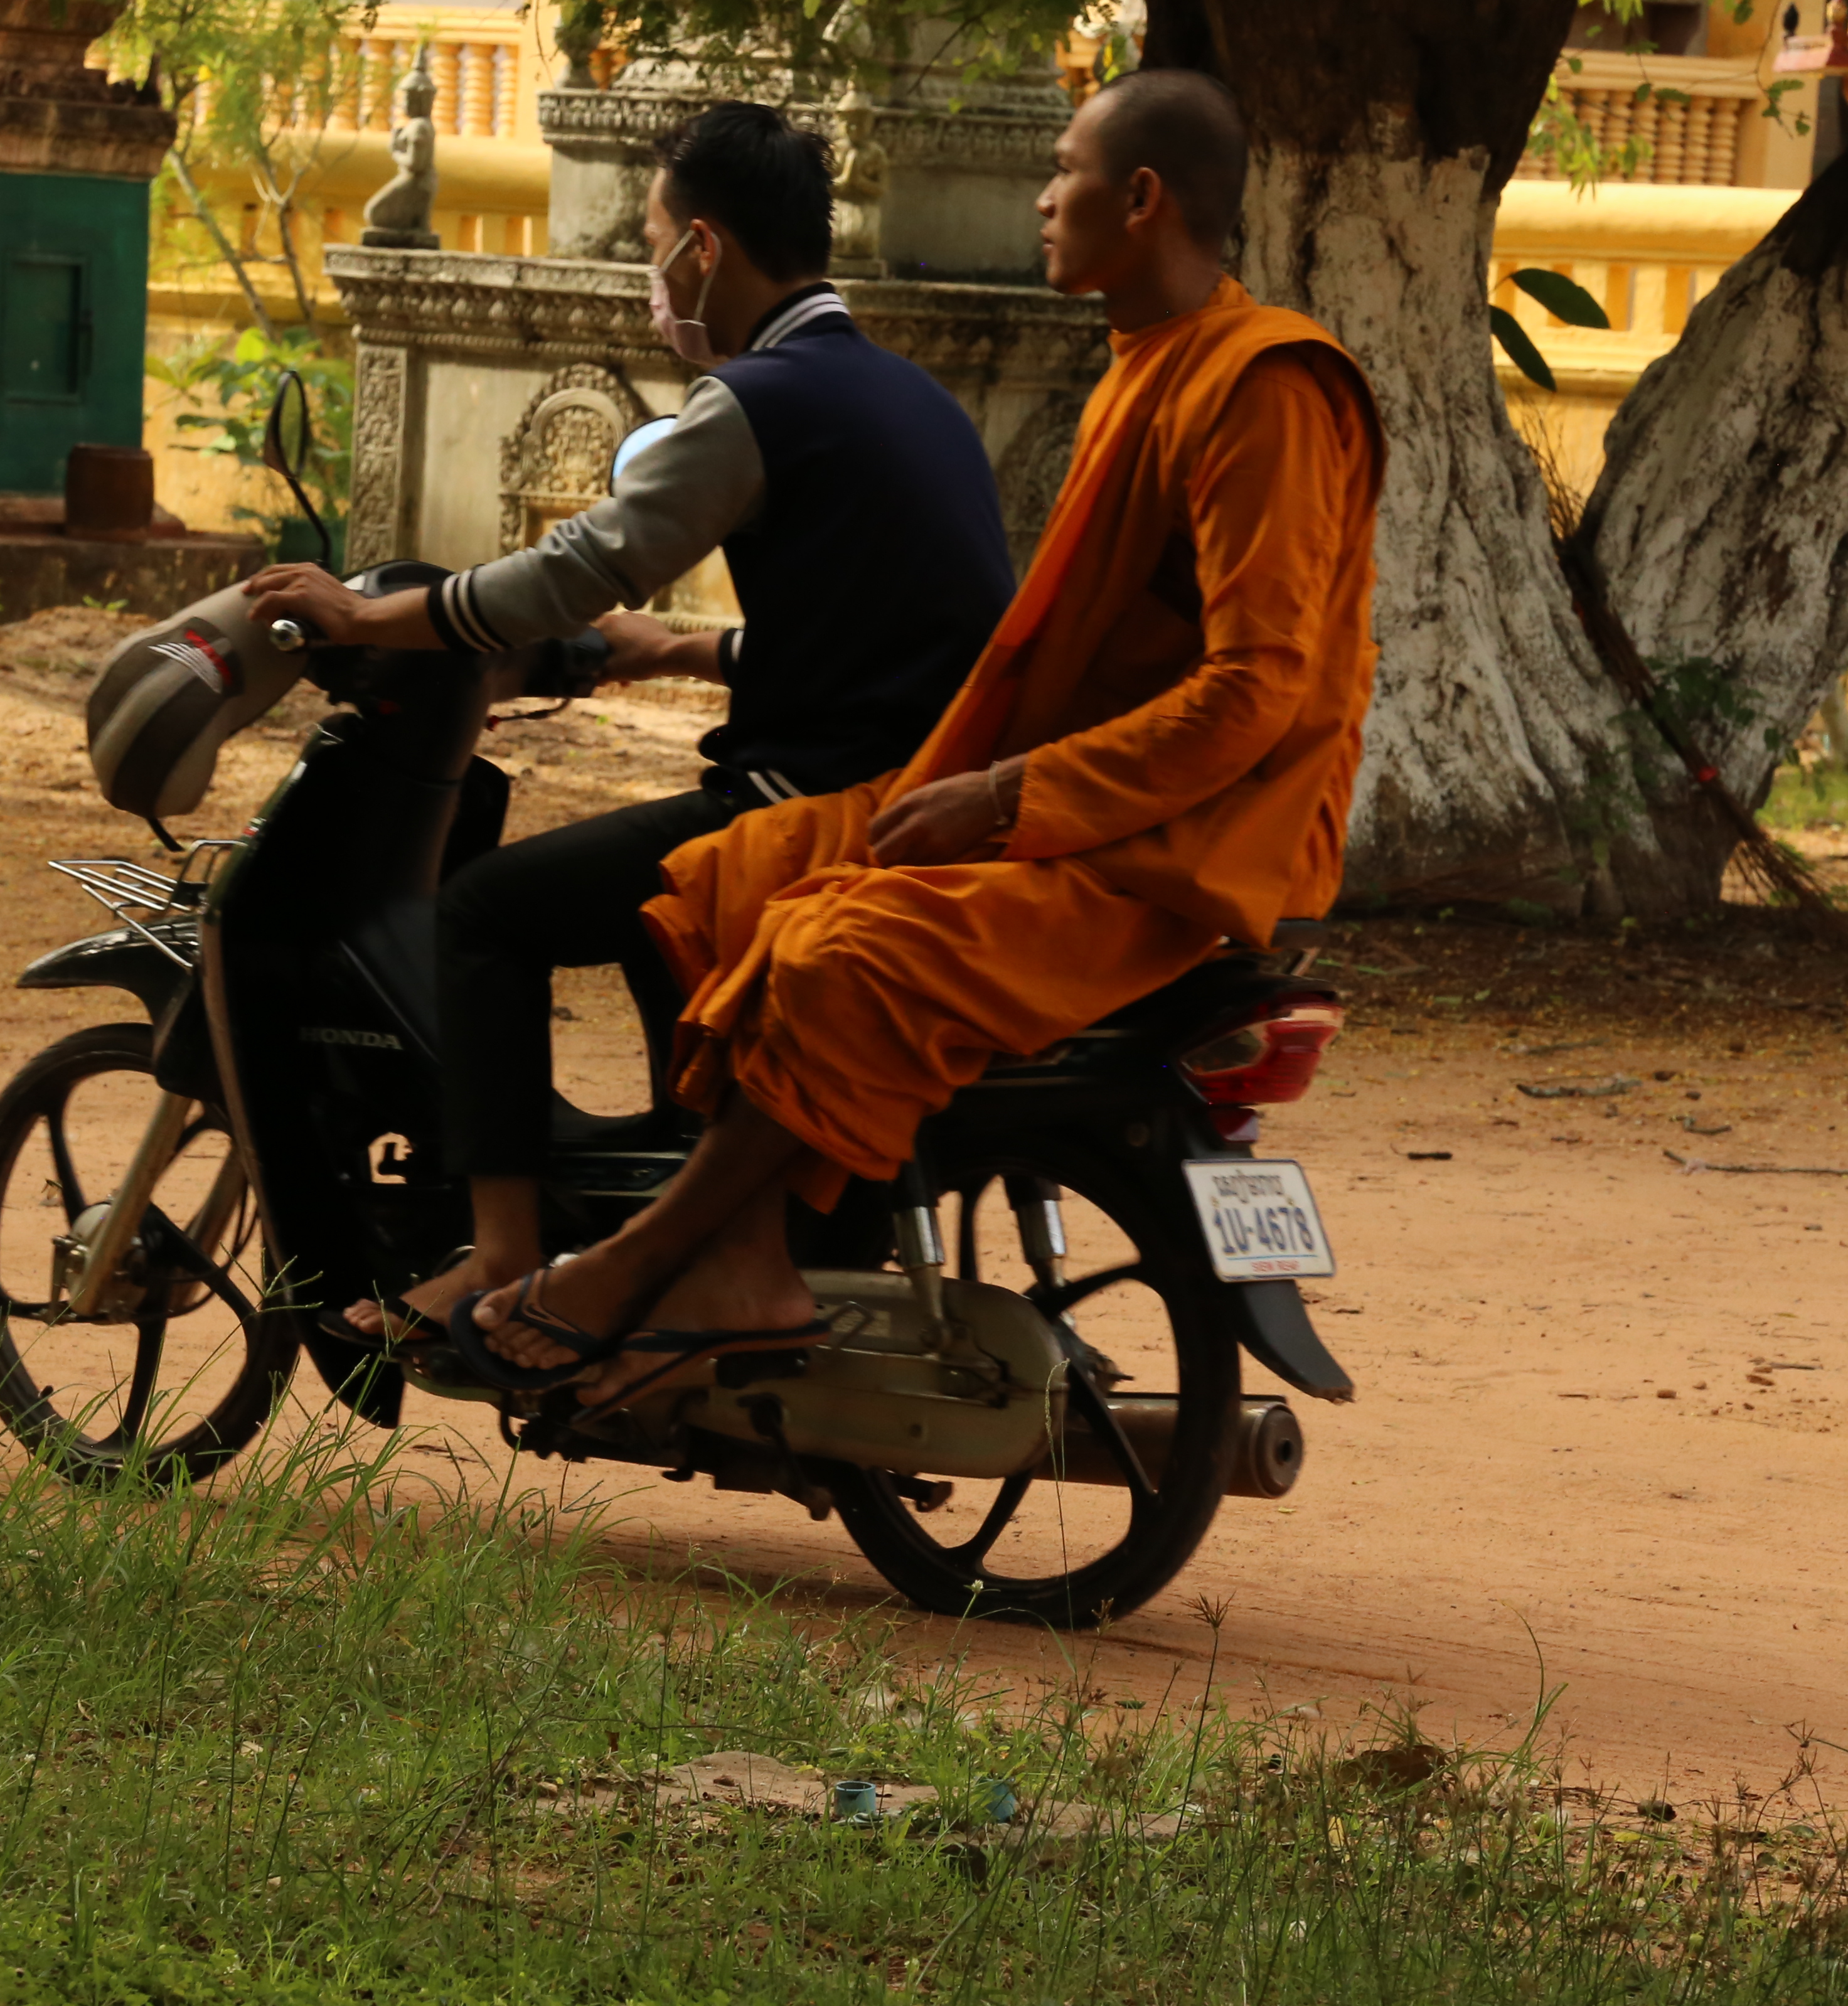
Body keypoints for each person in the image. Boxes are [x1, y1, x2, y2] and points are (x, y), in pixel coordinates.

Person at [454, 67, 1384, 1403]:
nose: (1041, 198)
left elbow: (1258, 694)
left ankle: (650, 1262)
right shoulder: (1143, 372)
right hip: (1083, 805)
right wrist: (719, 659)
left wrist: (1002, 801)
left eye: (1062, 171)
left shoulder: (1264, 388)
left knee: (835, 945)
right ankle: (756, 1254)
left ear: (1140, 197)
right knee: (727, 877)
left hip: (1174, 848)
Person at [240, 102, 1015, 1346]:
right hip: (921, 792)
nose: (654, 279)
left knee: (485, 913)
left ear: (701, 249)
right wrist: (687, 650)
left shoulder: (754, 399)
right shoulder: (912, 401)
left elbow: (572, 571)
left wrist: (372, 619)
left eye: (654, 243)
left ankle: (495, 1258)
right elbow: (892, 635)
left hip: (812, 808)